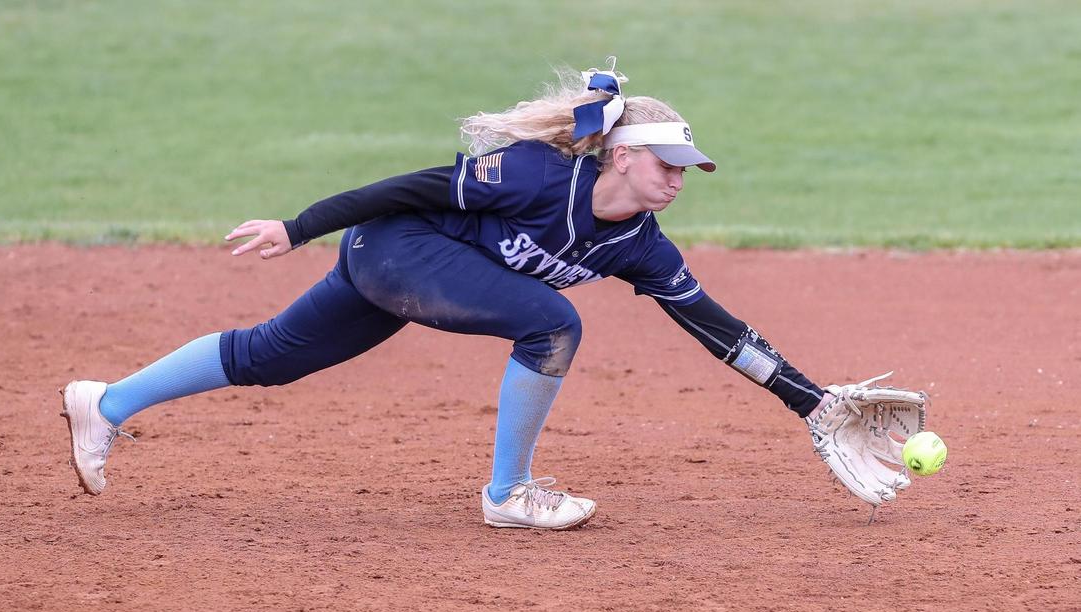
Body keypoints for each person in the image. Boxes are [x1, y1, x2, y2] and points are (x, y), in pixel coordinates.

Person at [61, 59, 853, 530]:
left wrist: (809, 401)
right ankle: (508, 494)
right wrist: (297, 226)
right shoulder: (541, 175)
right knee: (551, 321)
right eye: (666, 163)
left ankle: (105, 402)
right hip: (395, 244)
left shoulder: (638, 245)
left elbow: (715, 327)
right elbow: (414, 185)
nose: (678, 178)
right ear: (617, 157)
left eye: (686, 168)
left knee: (271, 356)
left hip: (411, 272)